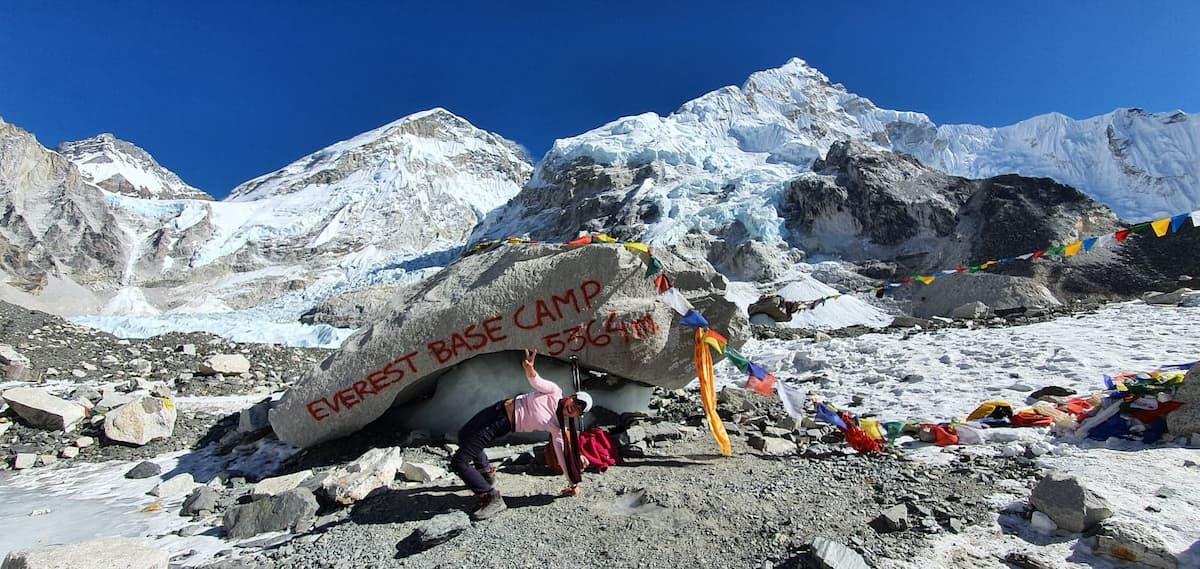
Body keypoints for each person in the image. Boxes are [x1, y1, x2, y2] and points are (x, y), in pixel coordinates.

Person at [450, 349, 593, 521]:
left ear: (578, 416)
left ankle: (491, 498)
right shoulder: (554, 392)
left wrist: (573, 483)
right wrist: (529, 368)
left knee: (459, 461)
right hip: (498, 409)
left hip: (502, 424)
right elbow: (536, 381)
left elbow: (562, 454)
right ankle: (486, 472)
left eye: (579, 410)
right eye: (576, 403)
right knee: (464, 434)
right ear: (571, 397)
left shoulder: (557, 428)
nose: (574, 408)